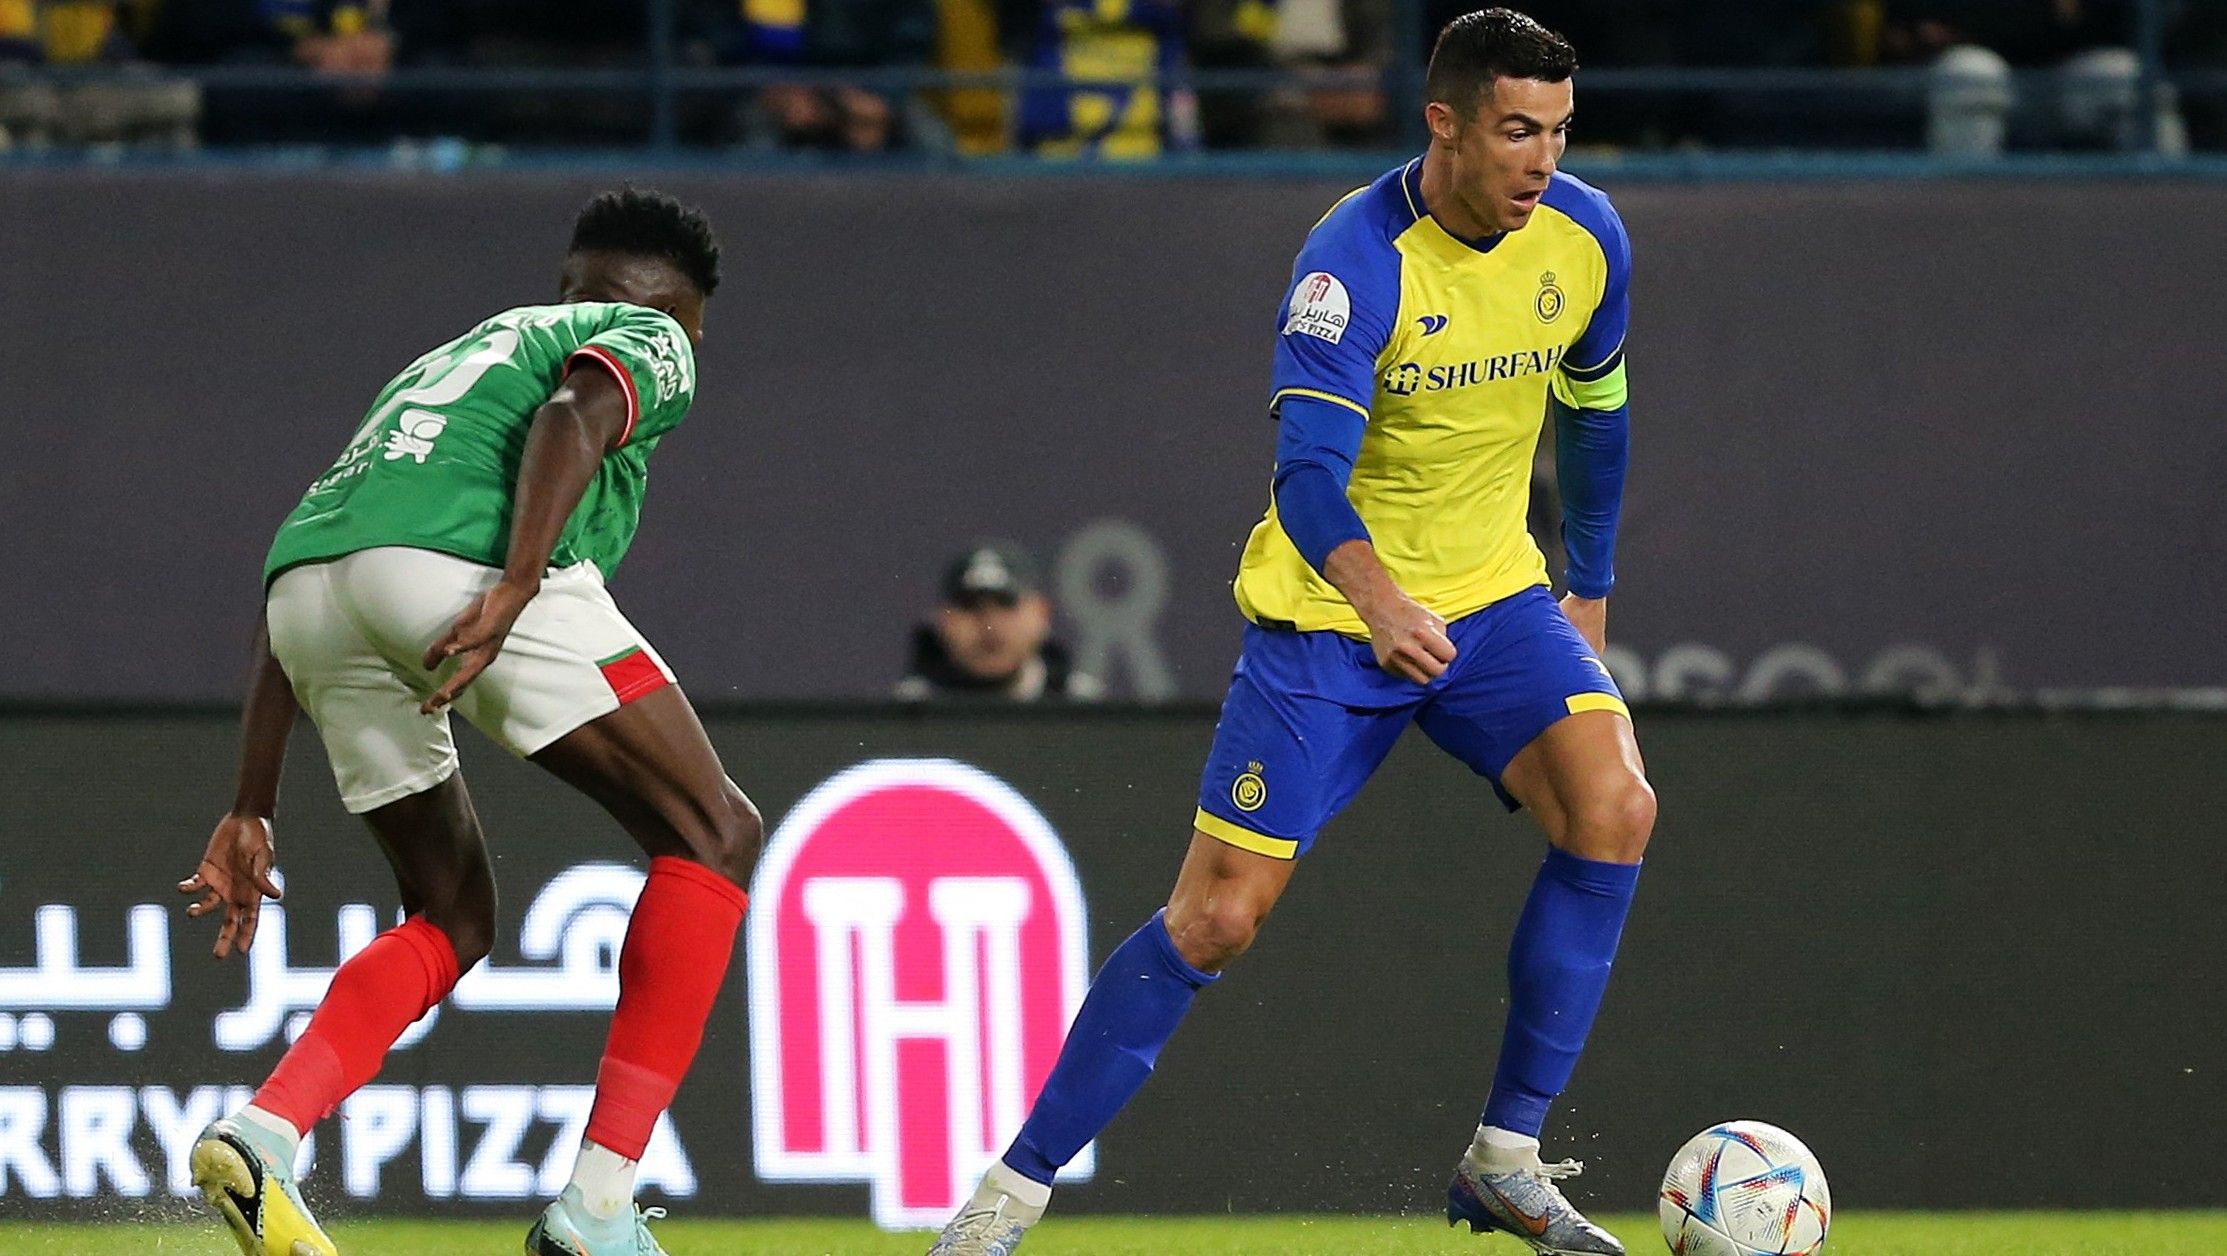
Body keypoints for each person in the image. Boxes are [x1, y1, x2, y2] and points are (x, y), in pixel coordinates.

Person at [932, 9, 1650, 1255]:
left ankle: (1506, 1156)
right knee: (1215, 917)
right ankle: (1007, 1196)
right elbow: (1307, 479)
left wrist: (1583, 585)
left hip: (1493, 600)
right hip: (1330, 623)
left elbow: (1596, 416)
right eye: (1516, 131)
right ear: (1445, 123)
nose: (1542, 160)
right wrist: (1380, 602)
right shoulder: (1351, 264)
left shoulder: (1585, 238)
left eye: (1558, 132)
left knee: (1616, 805)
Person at [176, 189, 754, 1256]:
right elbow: (575, 416)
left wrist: (251, 799)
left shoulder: (446, 364)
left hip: (307, 596)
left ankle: (264, 1130)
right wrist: (519, 581)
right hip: (461, 571)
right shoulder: (650, 334)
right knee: (714, 831)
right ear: (681, 311)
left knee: (452, 909)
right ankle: (598, 1208)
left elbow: (316, 555)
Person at [894, 540, 1105, 702]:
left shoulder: (1082, 708)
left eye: (1007, 603)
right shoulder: (910, 711)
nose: (989, 624)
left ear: (1041, 614)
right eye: (970, 606)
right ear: (944, 620)